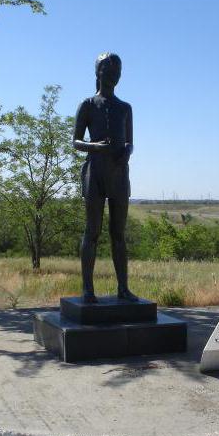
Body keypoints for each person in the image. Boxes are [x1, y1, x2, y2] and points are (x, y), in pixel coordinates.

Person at [72, 52, 139, 303]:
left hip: (119, 173)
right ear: (99, 73)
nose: (114, 77)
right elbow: (76, 141)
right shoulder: (88, 105)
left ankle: (123, 288)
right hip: (95, 172)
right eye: (110, 72)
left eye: (118, 73)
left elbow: (131, 142)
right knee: (92, 232)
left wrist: (127, 153)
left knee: (118, 234)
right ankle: (88, 289)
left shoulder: (125, 108)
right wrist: (96, 146)